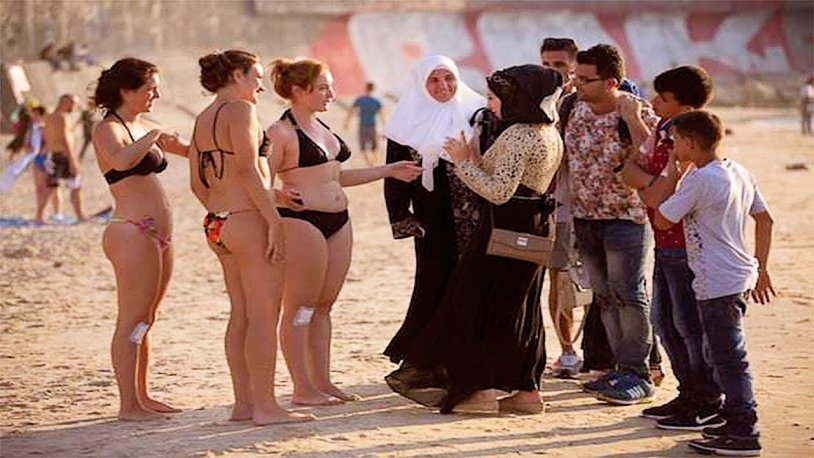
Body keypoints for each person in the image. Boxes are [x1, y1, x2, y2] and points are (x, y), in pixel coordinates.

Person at [395, 64, 563, 415]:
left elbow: (499, 192)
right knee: (520, 311)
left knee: (482, 309)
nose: (489, 104)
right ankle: (527, 392)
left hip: (506, 229)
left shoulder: (518, 133)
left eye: (494, 97)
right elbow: (508, 176)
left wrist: (461, 164)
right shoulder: (548, 131)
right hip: (532, 228)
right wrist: (472, 156)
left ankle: (481, 392)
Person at [267, 57, 421, 406]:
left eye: (329, 86)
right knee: (301, 306)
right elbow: (256, 179)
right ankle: (301, 387)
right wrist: (277, 193)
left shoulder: (323, 127)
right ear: (297, 91)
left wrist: (390, 170)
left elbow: (338, 178)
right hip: (302, 222)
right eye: (322, 88)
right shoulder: (280, 132)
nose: (330, 94)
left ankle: (323, 381)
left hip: (339, 221)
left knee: (323, 306)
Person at [188, 50, 313, 425]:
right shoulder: (241, 111)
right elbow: (246, 166)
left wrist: (223, 209)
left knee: (240, 315)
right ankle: (266, 407)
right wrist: (272, 218)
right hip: (247, 220)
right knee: (263, 317)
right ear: (238, 75)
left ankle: (244, 404)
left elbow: (198, 182)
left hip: (218, 223)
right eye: (256, 76)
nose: (260, 85)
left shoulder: (203, 117)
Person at [652, 110, 774, 457]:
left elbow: (662, 219)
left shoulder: (700, 179)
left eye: (676, 140)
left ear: (690, 142)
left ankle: (743, 429)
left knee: (728, 356)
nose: (673, 147)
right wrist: (762, 267)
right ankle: (730, 416)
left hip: (717, 280)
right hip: (738, 274)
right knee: (721, 352)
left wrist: (674, 176)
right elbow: (764, 219)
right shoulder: (737, 171)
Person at [621, 66, 723, 430]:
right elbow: (630, 172)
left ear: (684, 104)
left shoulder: (691, 139)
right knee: (666, 322)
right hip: (665, 240)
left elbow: (666, 192)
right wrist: (653, 184)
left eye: (662, 98)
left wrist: (650, 186)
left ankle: (707, 399)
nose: (653, 102)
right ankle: (689, 393)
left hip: (687, 243)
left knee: (689, 325)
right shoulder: (665, 131)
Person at [91, 58, 189, 421]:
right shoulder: (108, 129)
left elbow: (192, 151)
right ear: (126, 91)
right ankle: (128, 404)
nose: (156, 95)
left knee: (147, 318)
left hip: (159, 235)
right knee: (131, 319)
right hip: (131, 229)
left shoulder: (144, 125)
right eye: (150, 88)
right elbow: (118, 161)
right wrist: (152, 136)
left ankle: (143, 396)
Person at [381, 55, 485, 394]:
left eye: (448, 79)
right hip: (431, 218)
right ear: (421, 84)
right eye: (434, 81)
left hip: (474, 214)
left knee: (470, 285)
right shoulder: (404, 122)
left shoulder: (476, 113)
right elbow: (394, 176)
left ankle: (463, 360)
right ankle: (426, 361)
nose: (443, 87)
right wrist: (402, 216)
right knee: (434, 284)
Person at [564, 44, 659, 405]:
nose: (576, 84)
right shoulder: (571, 107)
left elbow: (656, 157)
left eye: (585, 79)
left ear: (610, 82)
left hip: (626, 219)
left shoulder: (634, 110)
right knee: (603, 298)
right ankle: (620, 369)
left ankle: (639, 374)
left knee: (630, 295)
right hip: (585, 218)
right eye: (575, 77)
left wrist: (633, 118)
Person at [540, 36, 584, 378]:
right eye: (546, 65)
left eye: (559, 65)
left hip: (592, 208)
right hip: (555, 208)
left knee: (598, 283)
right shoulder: (535, 103)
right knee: (559, 280)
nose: (552, 72)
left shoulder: (586, 104)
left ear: (574, 66)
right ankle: (567, 351)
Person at [40, 94, 86, 223]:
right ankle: (80, 216)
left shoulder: (48, 117)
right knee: (76, 185)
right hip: (63, 156)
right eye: (73, 104)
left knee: (51, 187)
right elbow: (65, 140)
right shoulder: (62, 118)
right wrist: (72, 161)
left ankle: (40, 215)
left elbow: (46, 137)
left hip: (52, 155)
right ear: (65, 102)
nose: (75, 108)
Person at [344, 81, 385, 165]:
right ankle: (374, 163)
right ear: (374, 89)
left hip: (362, 126)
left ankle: (369, 163)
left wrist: (347, 122)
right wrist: (385, 128)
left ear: (366, 88)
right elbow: (382, 116)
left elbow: (351, 111)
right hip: (373, 126)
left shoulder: (360, 100)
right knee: (374, 147)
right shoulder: (376, 101)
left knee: (363, 147)